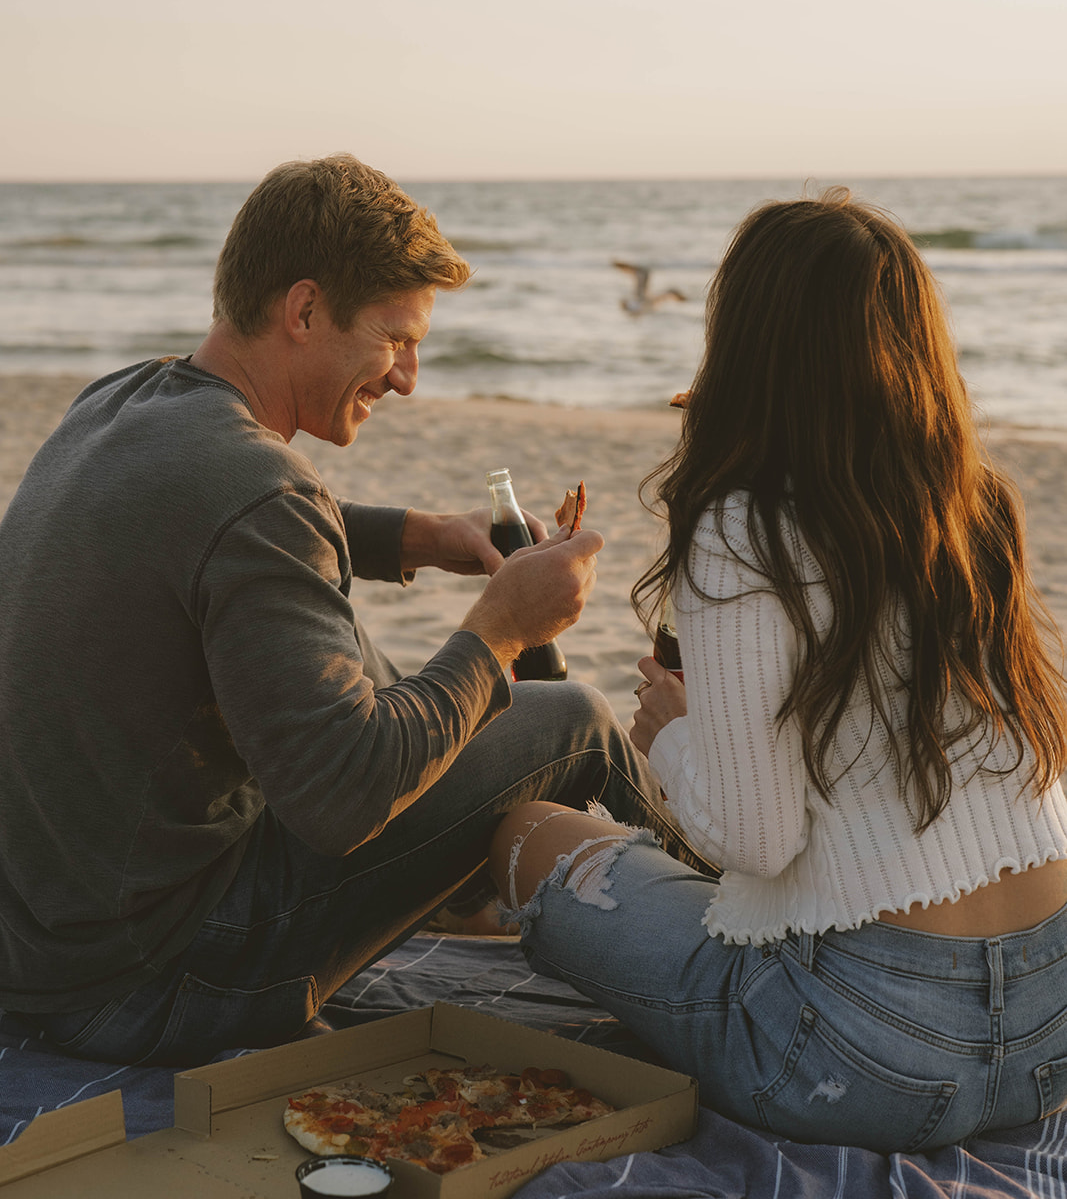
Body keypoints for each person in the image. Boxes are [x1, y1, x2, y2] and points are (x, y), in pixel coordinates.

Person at [0, 154, 705, 1068]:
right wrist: (500, 629)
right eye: (394, 339)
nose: (408, 377)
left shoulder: (126, 402)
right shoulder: (259, 491)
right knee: (572, 719)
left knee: (368, 669)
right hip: (151, 988)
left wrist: (426, 537)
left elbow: (231, 529)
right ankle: (739, 942)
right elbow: (341, 799)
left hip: (52, 949)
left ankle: (506, 880)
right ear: (302, 311)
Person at [490, 190, 1067, 1155]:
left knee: (529, 834)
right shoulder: (974, 507)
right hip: (1053, 1030)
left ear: (747, 339)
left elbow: (756, 841)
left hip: (869, 1059)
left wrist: (671, 731)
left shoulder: (743, 525)